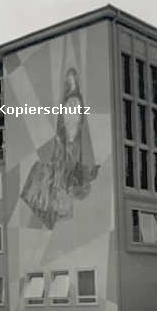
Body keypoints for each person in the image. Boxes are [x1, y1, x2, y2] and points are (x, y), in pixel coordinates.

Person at [20, 67, 100, 229]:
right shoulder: (60, 137)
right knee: (42, 174)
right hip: (62, 156)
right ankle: (50, 212)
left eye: (75, 108)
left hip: (69, 159)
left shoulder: (76, 104)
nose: (70, 114)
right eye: (67, 81)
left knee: (47, 177)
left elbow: (84, 184)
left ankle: (52, 212)